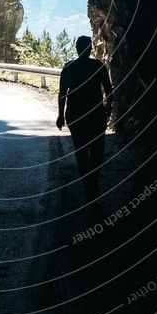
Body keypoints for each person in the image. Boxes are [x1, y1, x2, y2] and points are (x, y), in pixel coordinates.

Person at [56, 35, 113, 195]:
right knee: (97, 148)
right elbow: (109, 90)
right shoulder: (98, 66)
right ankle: (93, 179)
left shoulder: (68, 67)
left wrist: (60, 116)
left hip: (75, 115)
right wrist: (108, 108)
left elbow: (62, 94)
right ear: (90, 49)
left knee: (80, 149)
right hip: (96, 114)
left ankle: (87, 182)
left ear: (76, 48)